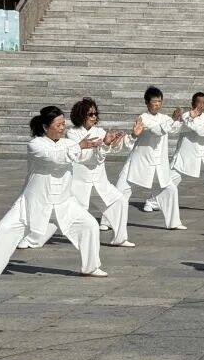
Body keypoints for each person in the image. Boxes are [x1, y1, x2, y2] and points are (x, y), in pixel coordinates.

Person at [0, 106, 107, 282]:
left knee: (90, 225)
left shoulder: (68, 144)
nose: (62, 128)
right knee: (4, 229)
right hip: (33, 202)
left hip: (64, 202)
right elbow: (54, 157)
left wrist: (105, 144)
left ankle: (91, 267)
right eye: (58, 125)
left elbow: (86, 158)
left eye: (63, 124)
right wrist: (79, 147)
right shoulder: (35, 145)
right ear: (45, 127)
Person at [19, 98, 134, 249]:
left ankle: (120, 238)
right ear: (81, 115)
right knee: (59, 216)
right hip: (79, 183)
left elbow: (109, 151)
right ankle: (32, 240)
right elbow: (81, 157)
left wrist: (114, 141)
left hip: (100, 182)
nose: (94, 117)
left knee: (119, 201)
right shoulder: (72, 133)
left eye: (95, 114)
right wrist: (97, 146)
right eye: (90, 114)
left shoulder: (99, 132)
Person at [118, 86, 186, 230]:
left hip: (158, 164)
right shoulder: (142, 118)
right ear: (147, 103)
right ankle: (107, 222)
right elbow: (156, 130)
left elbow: (174, 128)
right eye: (154, 101)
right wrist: (172, 120)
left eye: (159, 101)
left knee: (171, 190)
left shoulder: (165, 118)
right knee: (121, 190)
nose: (157, 104)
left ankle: (174, 223)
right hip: (139, 162)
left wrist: (181, 118)